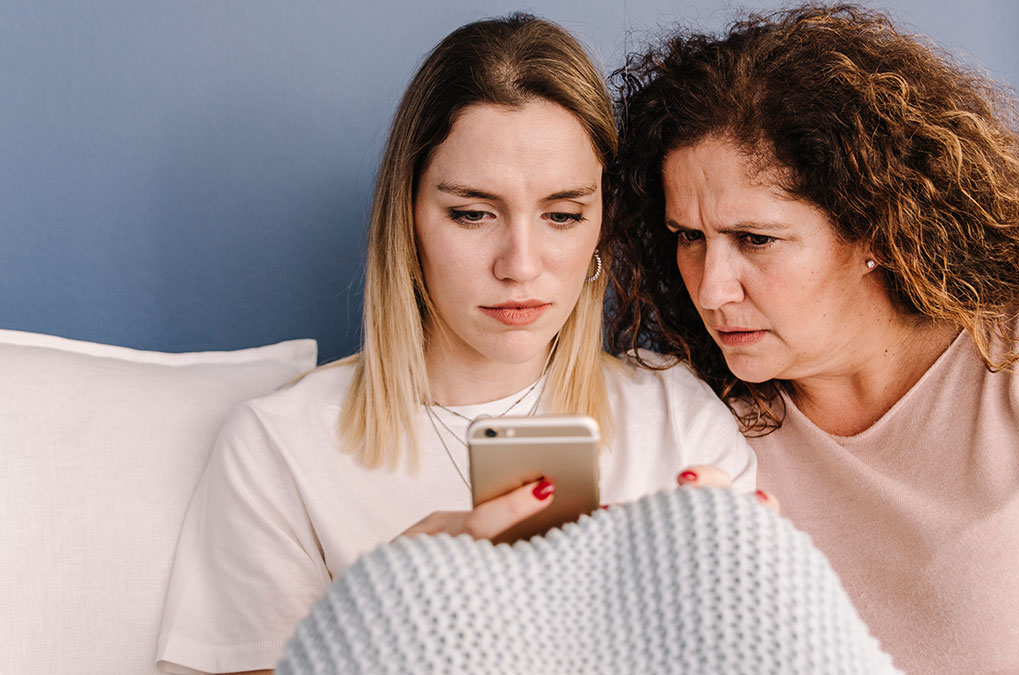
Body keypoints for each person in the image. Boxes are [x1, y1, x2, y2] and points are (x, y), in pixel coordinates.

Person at [608, 4, 1019, 673]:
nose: (712, 286)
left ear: (872, 232)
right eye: (689, 236)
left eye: (755, 239)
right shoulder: (703, 423)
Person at [156, 14, 754, 675]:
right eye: (473, 213)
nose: (520, 264)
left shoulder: (677, 420)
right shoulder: (282, 445)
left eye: (562, 215)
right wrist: (375, 614)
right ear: (407, 220)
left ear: (601, 225)